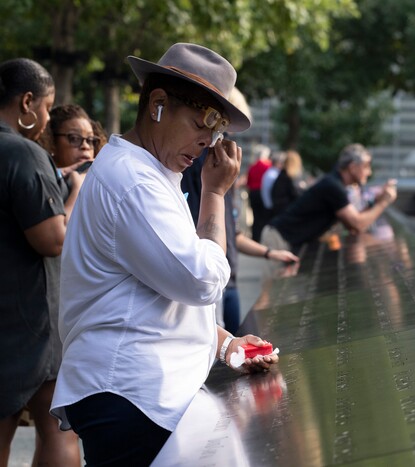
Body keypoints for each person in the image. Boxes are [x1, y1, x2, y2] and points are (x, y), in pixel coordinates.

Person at [49, 43, 278, 465]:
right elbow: (201, 281)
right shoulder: (134, 181)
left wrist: (224, 343)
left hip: (137, 390)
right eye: (200, 123)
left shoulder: (151, 174)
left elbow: (152, 300)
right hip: (131, 391)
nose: (208, 142)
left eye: (217, 131)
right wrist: (213, 194)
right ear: (157, 104)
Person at [0, 58, 81, 466]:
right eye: (48, 107)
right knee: (57, 427)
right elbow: (52, 240)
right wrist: (72, 197)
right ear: (27, 102)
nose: (47, 118)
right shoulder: (23, 152)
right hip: (23, 327)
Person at [181, 88, 298, 335]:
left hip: (227, 281)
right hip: (214, 286)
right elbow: (204, 255)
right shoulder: (199, 167)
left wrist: (268, 253)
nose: (218, 139)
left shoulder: (219, 170)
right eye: (219, 128)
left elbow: (230, 232)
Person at [261, 143, 397, 268]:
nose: (369, 172)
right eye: (366, 166)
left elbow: (354, 224)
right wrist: (384, 202)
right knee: (271, 292)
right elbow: (357, 224)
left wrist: (375, 201)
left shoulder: (335, 184)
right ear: (353, 167)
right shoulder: (334, 187)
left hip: (285, 239)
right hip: (279, 239)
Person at [245, 143, 271, 241]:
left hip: (253, 193)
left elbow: (248, 182)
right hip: (263, 193)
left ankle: (255, 238)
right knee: (264, 216)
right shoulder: (268, 166)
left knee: (255, 216)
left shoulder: (252, 166)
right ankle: (262, 238)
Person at [271, 149, 305, 217]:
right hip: (287, 210)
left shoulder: (282, 175)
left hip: (279, 210)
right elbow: (295, 194)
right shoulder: (290, 177)